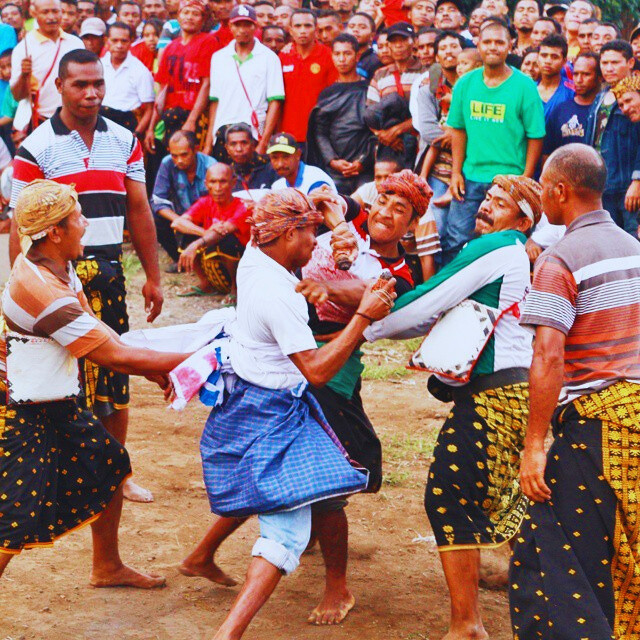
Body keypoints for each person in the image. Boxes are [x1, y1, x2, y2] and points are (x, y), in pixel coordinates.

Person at [180, 172, 436, 628]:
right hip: (304, 371)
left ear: (414, 224)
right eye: (383, 202)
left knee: (305, 479)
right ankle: (336, 585)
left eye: (401, 211)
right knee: (322, 484)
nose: (386, 213)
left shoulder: (397, 268)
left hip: (331, 374)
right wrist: (335, 219)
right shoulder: (344, 230)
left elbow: (381, 295)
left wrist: (334, 287)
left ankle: (207, 553)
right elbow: (326, 208)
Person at [364, 174, 542, 640]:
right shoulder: (517, 254)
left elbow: (428, 299)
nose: (486, 206)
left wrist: (363, 326)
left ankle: (467, 623)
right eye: (487, 198)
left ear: (523, 220)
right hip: (517, 393)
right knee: (503, 490)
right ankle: (505, 579)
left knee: (447, 494)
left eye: (500, 203)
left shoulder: (500, 246)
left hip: (494, 396)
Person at [0, 180, 189, 588]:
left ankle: (106, 566)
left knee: (110, 465)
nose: (85, 224)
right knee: (14, 522)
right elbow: (112, 356)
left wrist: (154, 368)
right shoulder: (41, 289)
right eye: (77, 218)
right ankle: (106, 566)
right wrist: (200, 360)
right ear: (54, 232)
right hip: (21, 410)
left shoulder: (57, 266)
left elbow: (99, 333)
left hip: (53, 400)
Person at [9, 50, 165, 505]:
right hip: (56, 277)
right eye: (80, 84)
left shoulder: (124, 139)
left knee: (115, 380)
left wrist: (153, 276)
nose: (91, 92)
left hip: (110, 270)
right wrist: (26, 287)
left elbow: (139, 209)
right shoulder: (36, 146)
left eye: (98, 83)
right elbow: (23, 225)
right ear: (58, 86)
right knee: (63, 376)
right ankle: (65, 473)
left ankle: (119, 471)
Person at [511, 143, 640, 640]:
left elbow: (547, 357)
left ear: (560, 190)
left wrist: (534, 446)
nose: (543, 196)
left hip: (596, 428)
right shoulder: (632, 248)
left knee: (566, 560)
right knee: (625, 557)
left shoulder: (559, 259)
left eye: (544, 187)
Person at [446, 18, 545, 264]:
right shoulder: (465, 84)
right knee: (455, 239)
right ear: (478, 45)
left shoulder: (524, 86)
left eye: (499, 42)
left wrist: (525, 177)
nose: (493, 47)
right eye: (487, 41)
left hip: (510, 180)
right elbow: (458, 130)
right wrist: (455, 172)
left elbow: (536, 136)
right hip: (470, 177)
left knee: (506, 243)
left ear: (510, 46)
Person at [204, 4, 284, 159]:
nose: (242, 30)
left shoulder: (269, 58)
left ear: (255, 26)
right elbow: (215, 102)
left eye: (247, 25)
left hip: (255, 129)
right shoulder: (219, 57)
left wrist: (264, 141)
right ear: (230, 26)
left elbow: (275, 102)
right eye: (237, 25)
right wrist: (208, 142)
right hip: (223, 129)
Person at [415, 30, 465, 251]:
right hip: (438, 167)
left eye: (454, 46)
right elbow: (427, 131)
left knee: (462, 231)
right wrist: (460, 136)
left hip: (471, 164)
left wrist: (456, 134)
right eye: (443, 48)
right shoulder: (429, 89)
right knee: (437, 228)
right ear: (436, 57)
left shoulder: (478, 87)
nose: (449, 52)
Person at [144, 0, 216, 155]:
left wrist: (191, 120)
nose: (190, 17)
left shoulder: (207, 42)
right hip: (170, 116)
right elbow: (163, 89)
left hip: (194, 116)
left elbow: (206, 84)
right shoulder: (171, 46)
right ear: (178, 16)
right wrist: (151, 128)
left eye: (195, 14)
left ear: (203, 20)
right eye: (186, 12)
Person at [307, 33, 376, 194]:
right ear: (332, 56)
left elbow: (375, 132)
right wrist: (332, 161)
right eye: (337, 54)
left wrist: (362, 162)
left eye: (347, 53)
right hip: (335, 168)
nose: (342, 59)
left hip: (365, 167)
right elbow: (320, 132)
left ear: (357, 56)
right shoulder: (327, 94)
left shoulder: (370, 89)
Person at [172, 163, 249, 298]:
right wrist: (204, 233)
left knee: (226, 238)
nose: (218, 188)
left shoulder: (243, 206)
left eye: (223, 182)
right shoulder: (205, 202)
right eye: (213, 182)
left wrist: (197, 243)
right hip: (215, 267)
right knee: (183, 232)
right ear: (206, 184)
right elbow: (178, 223)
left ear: (233, 183)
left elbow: (224, 230)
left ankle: (235, 289)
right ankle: (205, 283)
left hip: (241, 268)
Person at [591, 40, 640, 237]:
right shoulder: (600, 97)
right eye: (604, 63)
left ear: (630, 63)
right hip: (604, 184)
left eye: (615, 62)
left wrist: (637, 180)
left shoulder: (635, 92)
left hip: (628, 186)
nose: (609, 68)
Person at [10, 0, 83, 128]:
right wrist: (24, 74)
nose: (51, 17)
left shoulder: (76, 43)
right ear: (34, 13)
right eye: (45, 12)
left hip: (75, 119)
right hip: (41, 121)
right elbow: (17, 96)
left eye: (55, 11)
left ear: (61, 12)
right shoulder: (23, 49)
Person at [152, 129, 217, 265]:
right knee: (154, 217)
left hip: (207, 219)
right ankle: (180, 259)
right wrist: (180, 221)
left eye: (184, 155)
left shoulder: (211, 166)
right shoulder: (167, 163)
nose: (179, 160)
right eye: (174, 155)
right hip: (183, 215)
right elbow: (158, 200)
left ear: (195, 150)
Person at [365, 21, 425, 168]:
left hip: (418, 143)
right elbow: (370, 110)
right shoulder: (380, 74)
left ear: (414, 42)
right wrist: (385, 136)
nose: (398, 45)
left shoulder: (427, 72)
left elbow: (430, 112)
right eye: (394, 41)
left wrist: (397, 130)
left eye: (403, 40)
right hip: (388, 147)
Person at [279, 9, 336, 145]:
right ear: (290, 30)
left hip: (318, 135)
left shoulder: (328, 56)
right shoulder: (282, 57)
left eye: (308, 26)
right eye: (298, 26)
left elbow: (334, 98)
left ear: (316, 30)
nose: (302, 30)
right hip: (287, 134)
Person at [100, 22, 155, 136]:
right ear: (107, 41)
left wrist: (136, 134)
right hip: (100, 123)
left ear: (131, 42)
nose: (119, 45)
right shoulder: (98, 66)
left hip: (127, 124)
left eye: (124, 41)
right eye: (115, 40)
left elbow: (149, 109)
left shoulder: (140, 71)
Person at [542, 51, 600, 159]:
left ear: (599, 77)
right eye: (576, 74)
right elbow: (547, 153)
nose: (579, 80)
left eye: (586, 74)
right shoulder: (560, 110)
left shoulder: (604, 111)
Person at [269, 132, 337, 193]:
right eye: (275, 158)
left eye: (286, 157)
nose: (280, 164)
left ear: (298, 154)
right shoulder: (277, 186)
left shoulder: (316, 180)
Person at [224, 122, 277, 192]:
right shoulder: (226, 175)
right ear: (227, 148)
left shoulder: (271, 168)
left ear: (253, 145)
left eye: (244, 143)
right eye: (233, 144)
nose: (239, 149)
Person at [537, 34, 574, 119]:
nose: (548, 61)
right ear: (537, 58)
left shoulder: (572, 91)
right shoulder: (528, 88)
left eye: (554, 57)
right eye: (544, 55)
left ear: (564, 61)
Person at [346, 12, 380, 81]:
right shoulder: (340, 58)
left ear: (372, 35)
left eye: (362, 27)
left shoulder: (376, 61)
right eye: (351, 27)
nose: (355, 30)